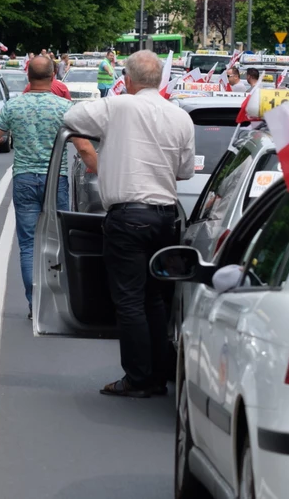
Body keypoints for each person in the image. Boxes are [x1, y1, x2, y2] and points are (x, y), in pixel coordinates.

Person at [63, 50, 195, 398]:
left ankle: (139, 378)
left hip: (128, 217)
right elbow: (185, 172)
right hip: (166, 217)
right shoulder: (180, 116)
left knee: (130, 300)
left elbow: (72, 115)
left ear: (129, 80)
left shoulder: (118, 106)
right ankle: (158, 369)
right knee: (154, 299)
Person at [0, 57, 72, 318]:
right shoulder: (65, 107)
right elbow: (84, 145)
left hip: (24, 178)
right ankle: (59, 302)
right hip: (57, 179)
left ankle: (35, 304)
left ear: (28, 77)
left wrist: (1, 140)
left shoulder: (15, 106)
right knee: (58, 240)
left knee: (29, 244)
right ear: (54, 76)